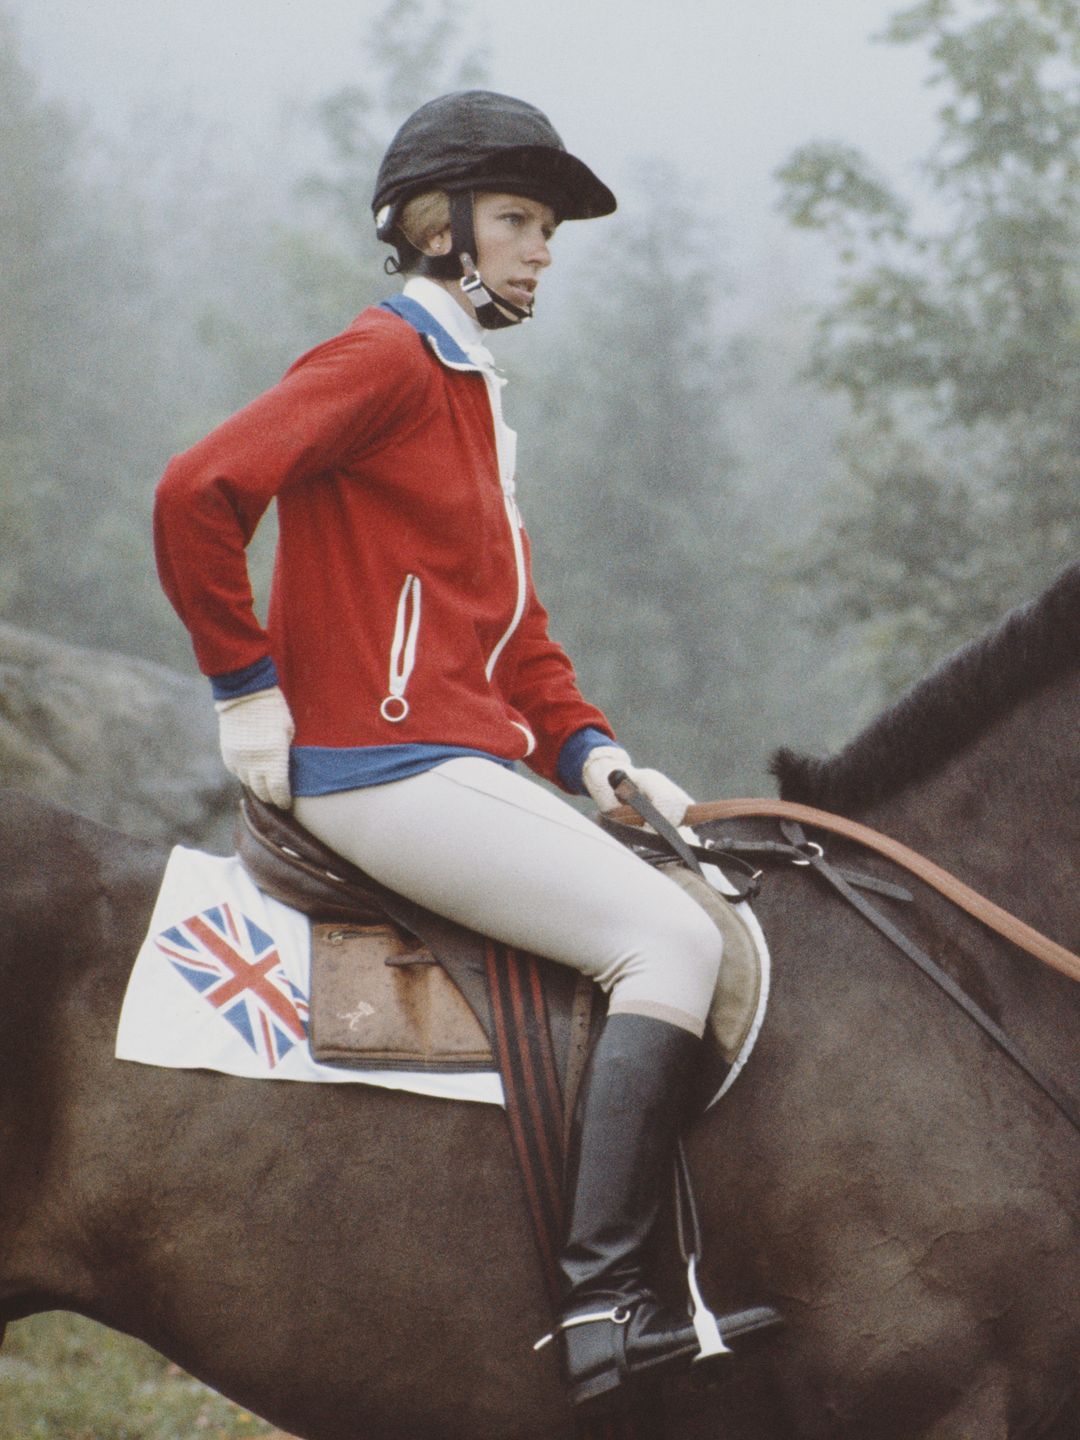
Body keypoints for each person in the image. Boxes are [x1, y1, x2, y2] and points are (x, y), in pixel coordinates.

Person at [154, 89, 766, 1412]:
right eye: (521, 220)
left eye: (547, 228)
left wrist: (594, 753)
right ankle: (605, 1304)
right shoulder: (382, 361)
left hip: (467, 763)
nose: (544, 248)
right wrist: (247, 688)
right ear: (438, 227)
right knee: (671, 944)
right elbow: (196, 492)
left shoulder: (471, 394)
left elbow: (517, 637)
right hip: (384, 774)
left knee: (699, 904)